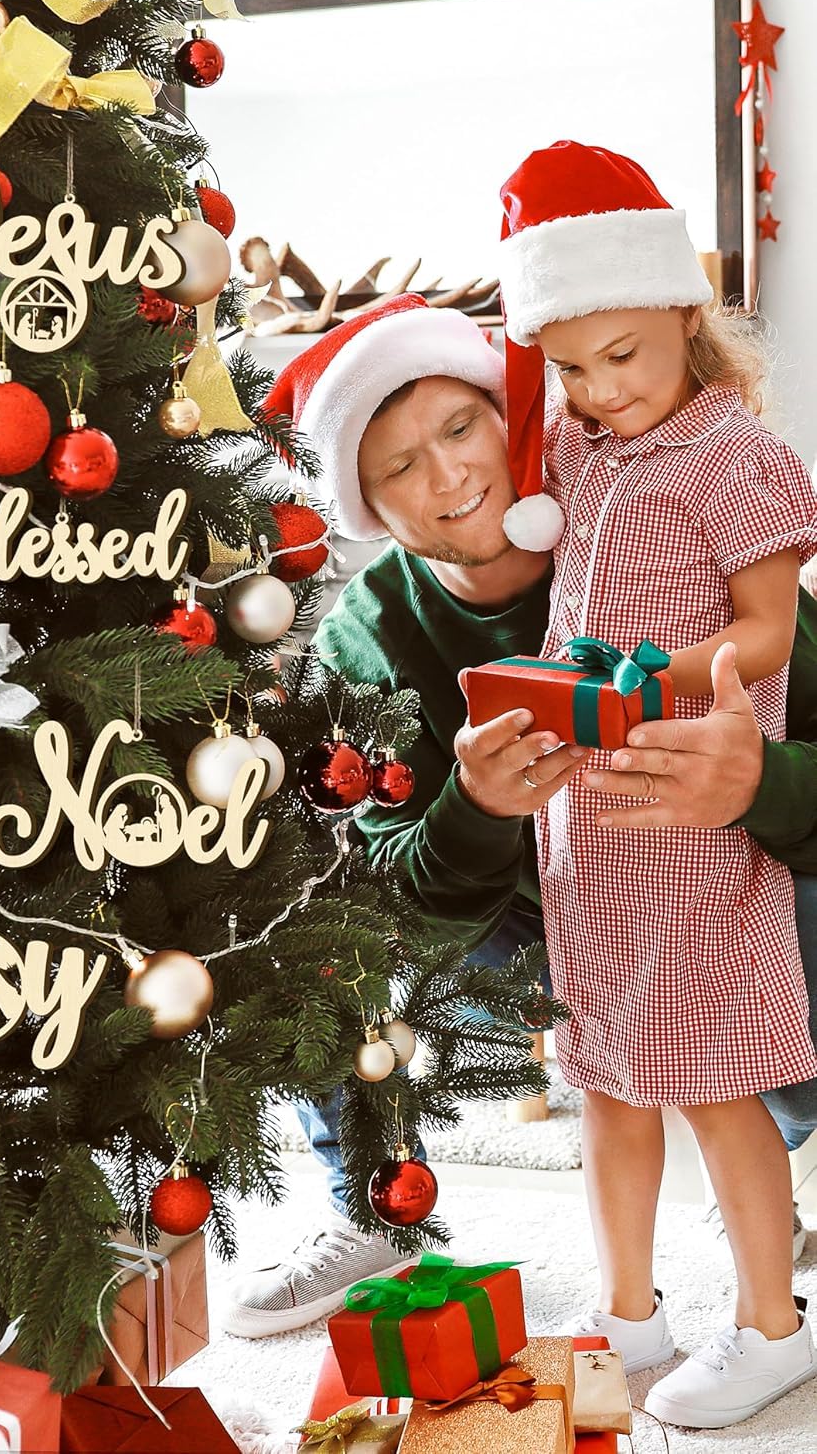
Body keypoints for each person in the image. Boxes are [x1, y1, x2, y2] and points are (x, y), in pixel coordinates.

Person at [223, 290, 817, 1359]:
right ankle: (379, 1201)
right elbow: (385, 896)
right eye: (397, 465)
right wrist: (475, 806)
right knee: (294, 926)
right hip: (522, 935)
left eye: (460, 428)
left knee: (757, 1067)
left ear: (517, 421)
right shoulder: (369, 637)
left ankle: (781, 1197)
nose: (447, 476)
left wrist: (758, 783)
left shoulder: (667, 535)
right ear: (365, 507)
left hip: (725, 886)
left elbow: (787, 687)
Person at [497, 141, 817, 1427]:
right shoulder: (581, 448)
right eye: (571, 366)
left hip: (686, 807)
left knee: (712, 1075)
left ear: (685, 314)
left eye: (624, 355)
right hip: (587, 821)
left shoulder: (733, 454)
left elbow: (770, 636)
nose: (600, 389)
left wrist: (637, 674)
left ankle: (773, 1323)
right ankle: (628, 1318)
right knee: (606, 1072)